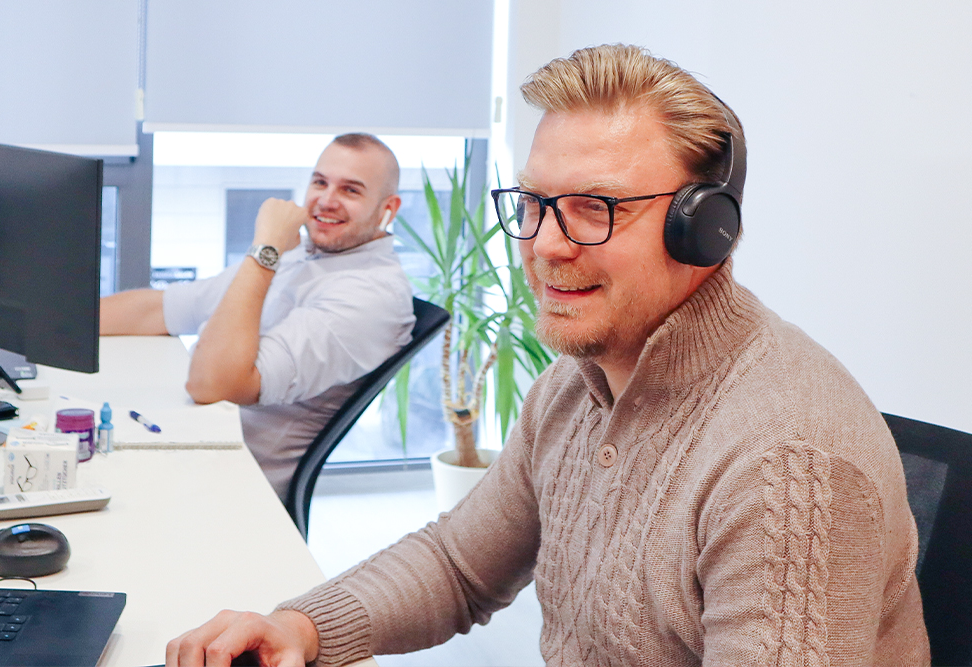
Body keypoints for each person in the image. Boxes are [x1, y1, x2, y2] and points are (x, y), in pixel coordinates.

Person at [166, 45, 929, 667]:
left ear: (706, 231)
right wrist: (301, 629)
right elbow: (459, 564)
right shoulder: (578, 383)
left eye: (596, 208)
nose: (546, 246)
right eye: (533, 204)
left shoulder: (783, 462)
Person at [101, 133, 415, 499]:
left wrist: (266, 248)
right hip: (194, 444)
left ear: (388, 208)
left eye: (351, 190)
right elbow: (162, 309)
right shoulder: (305, 254)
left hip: (232, 488)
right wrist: (62, 327)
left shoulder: (371, 296)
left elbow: (213, 385)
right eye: (320, 182)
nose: (326, 201)